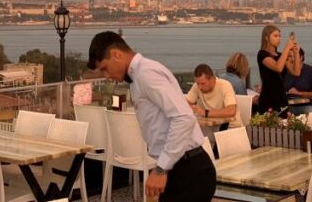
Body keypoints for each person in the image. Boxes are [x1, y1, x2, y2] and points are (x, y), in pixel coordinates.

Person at [88, 31, 216, 202]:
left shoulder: (146, 74)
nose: (106, 76)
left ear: (116, 55)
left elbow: (183, 117)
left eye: (105, 68)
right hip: (179, 168)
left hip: (189, 171)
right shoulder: (138, 77)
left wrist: (161, 169)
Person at [256, 25, 300, 113]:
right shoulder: (262, 54)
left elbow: (296, 72)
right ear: (266, 37)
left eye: (279, 36)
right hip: (268, 97)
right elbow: (278, 67)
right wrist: (287, 48)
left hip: (281, 97)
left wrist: (296, 53)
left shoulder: (280, 56)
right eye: (275, 36)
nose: (279, 38)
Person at [283, 48, 312, 114]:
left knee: (306, 110)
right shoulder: (286, 72)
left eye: (294, 56)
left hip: (311, 106)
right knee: (278, 112)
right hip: (291, 107)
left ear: (301, 57)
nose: (292, 59)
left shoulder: (311, 71)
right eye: (289, 56)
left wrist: (299, 93)